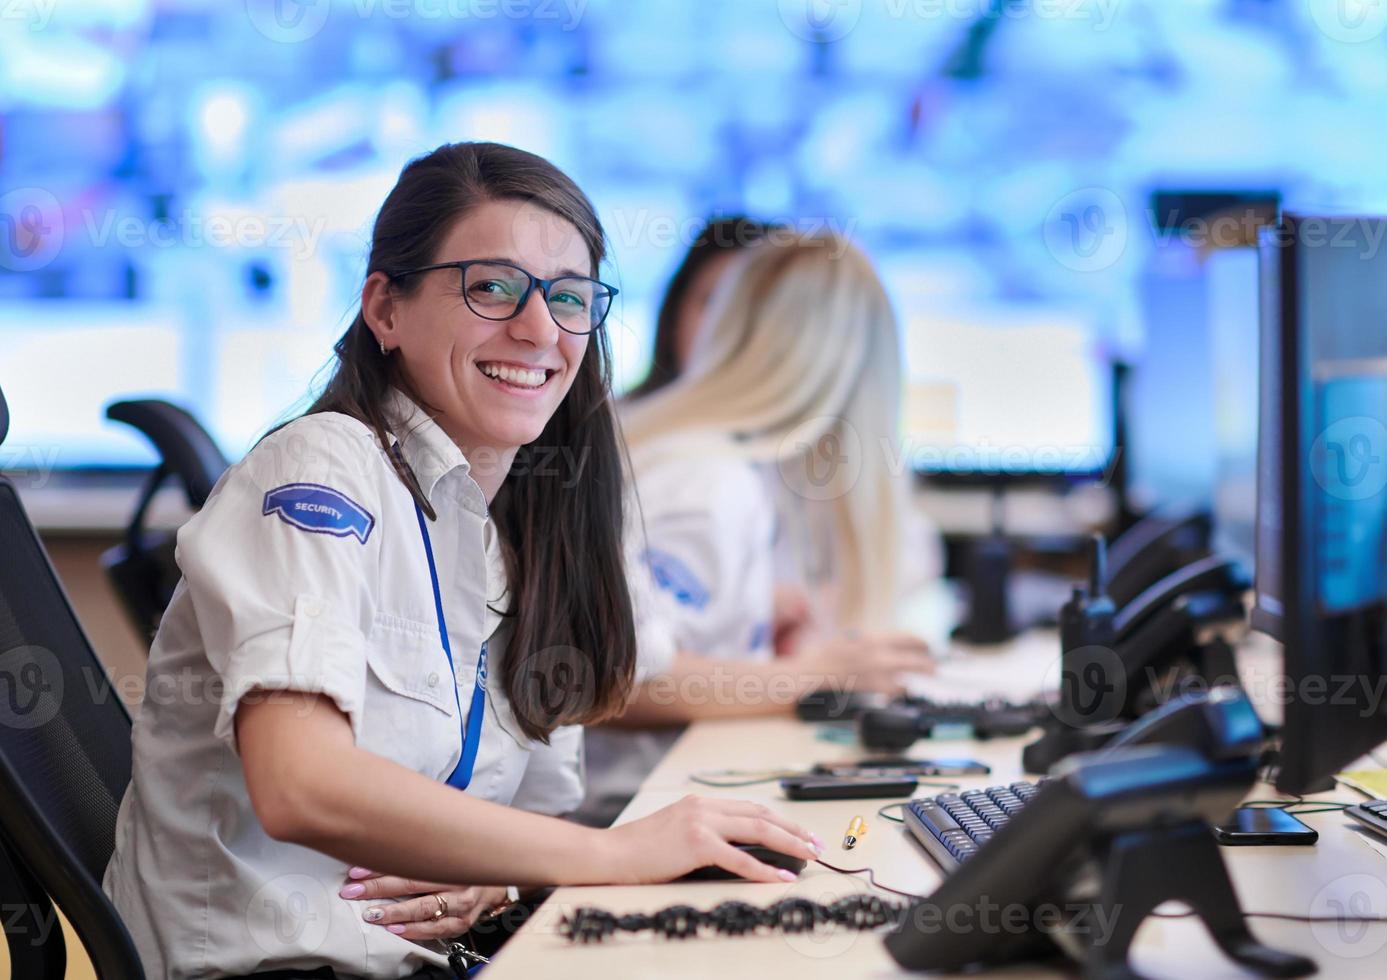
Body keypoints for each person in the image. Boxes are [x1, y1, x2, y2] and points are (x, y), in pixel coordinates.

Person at [102, 142, 820, 980]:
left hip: (437, 956)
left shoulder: (520, 521)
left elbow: (527, 810)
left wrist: (501, 873)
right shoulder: (324, 469)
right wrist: (611, 853)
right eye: (492, 287)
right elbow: (301, 784)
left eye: (569, 297)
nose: (538, 328)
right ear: (386, 309)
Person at [581, 230, 937, 818]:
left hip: (660, 803)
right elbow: (621, 684)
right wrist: (816, 674)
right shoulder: (708, 479)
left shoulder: (694, 457)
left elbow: (640, 636)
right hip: (627, 811)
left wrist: (750, 615)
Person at [626, 215, 776, 400]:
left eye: (754, 307)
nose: (730, 323)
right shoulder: (611, 422)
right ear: (675, 314)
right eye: (715, 302)